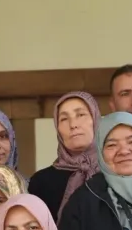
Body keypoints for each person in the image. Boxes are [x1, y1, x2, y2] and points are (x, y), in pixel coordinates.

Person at [28, 91, 101, 221]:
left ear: (95, 119)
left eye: (80, 115)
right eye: (64, 119)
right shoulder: (41, 182)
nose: (73, 125)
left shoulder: (115, 174)